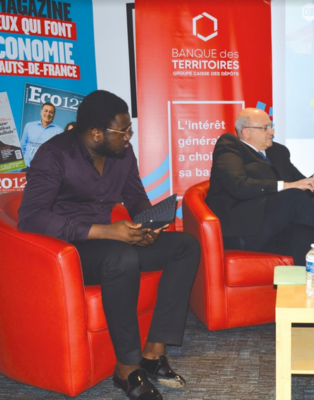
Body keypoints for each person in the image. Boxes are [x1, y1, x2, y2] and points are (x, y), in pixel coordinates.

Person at [18, 90, 200, 400]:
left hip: (111, 240)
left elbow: (135, 196)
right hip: (68, 251)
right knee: (122, 257)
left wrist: (147, 226)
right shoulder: (54, 155)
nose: (129, 137)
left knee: (185, 245)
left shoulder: (123, 155)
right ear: (96, 133)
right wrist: (106, 231)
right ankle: (127, 369)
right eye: (124, 130)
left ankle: (153, 354)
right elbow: (31, 218)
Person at [205, 107, 314, 265]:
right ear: (246, 131)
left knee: (305, 234)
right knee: (294, 196)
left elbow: (301, 185)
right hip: (242, 231)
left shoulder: (278, 152)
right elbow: (238, 186)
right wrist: (287, 186)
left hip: (272, 231)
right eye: (265, 128)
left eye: (271, 126)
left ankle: (305, 287)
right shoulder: (230, 146)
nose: (271, 132)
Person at [20, 101, 63, 167]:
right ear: (41, 112)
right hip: (27, 168)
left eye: (51, 112)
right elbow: (22, 147)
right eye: (46, 111)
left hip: (45, 171)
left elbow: (59, 154)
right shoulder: (29, 126)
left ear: (54, 114)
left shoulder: (59, 131)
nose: (48, 114)